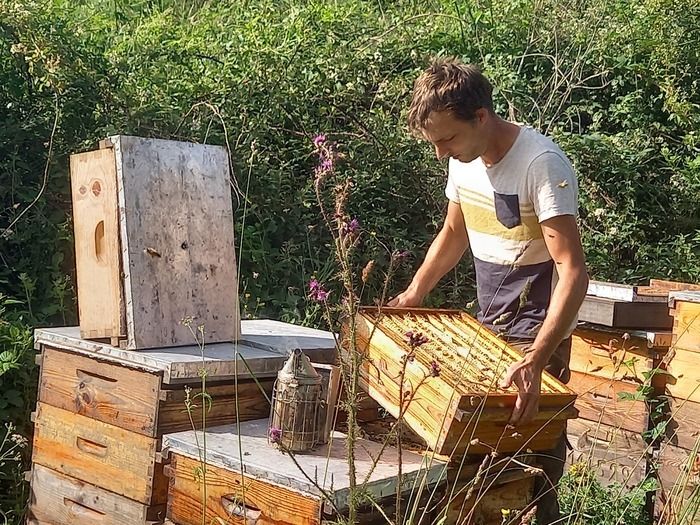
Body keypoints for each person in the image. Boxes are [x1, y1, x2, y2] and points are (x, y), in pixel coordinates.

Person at [388, 57, 589, 524]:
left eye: (447, 139)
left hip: (536, 335)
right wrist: (415, 292)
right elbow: (453, 233)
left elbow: (572, 269)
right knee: (475, 472)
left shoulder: (542, 164)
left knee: (526, 471)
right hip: (487, 326)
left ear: (480, 116)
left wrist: (538, 358)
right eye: (434, 141)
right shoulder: (464, 160)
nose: (441, 152)